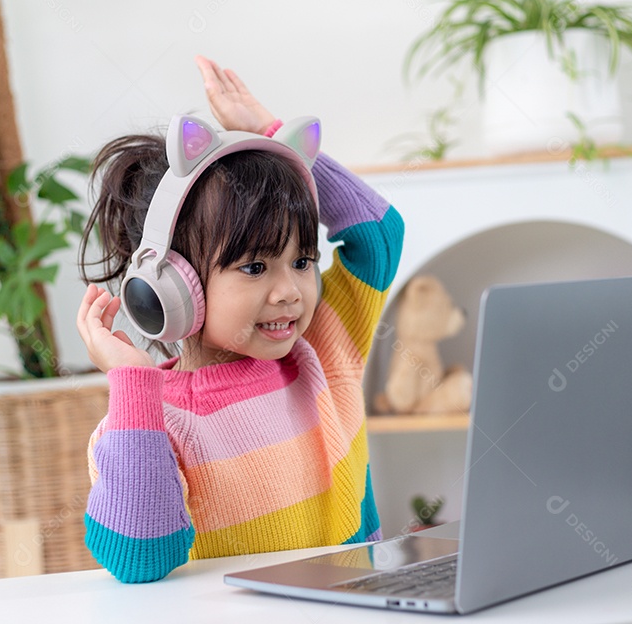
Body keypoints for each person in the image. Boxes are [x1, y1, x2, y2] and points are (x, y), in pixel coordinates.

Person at [76, 56, 404, 583]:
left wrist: (270, 137)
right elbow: (139, 560)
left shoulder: (322, 347)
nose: (290, 292)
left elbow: (380, 237)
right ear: (175, 285)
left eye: (302, 262)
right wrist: (131, 382)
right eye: (255, 267)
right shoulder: (143, 422)